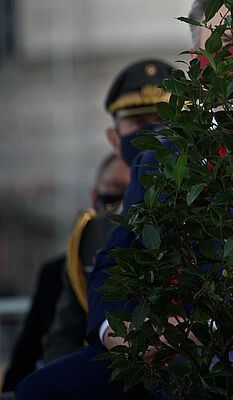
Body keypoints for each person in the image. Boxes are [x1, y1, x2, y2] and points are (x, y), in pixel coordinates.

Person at [14, 58, 173, 400]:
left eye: (162, 120)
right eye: (139, 121)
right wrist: (111, 332)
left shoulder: (209, 194)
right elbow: (65, 331)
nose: (153, 132)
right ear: (116, 139)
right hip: (123, 356)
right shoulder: (95, 230)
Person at [39, 153, 132, 365]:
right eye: (115, 188)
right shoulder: (83, 244)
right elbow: (64, 331)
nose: (121, 207)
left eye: (131, 192)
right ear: (94, 194)